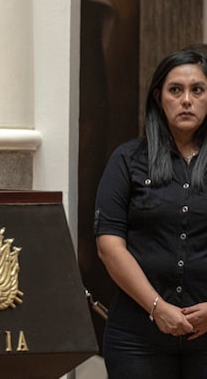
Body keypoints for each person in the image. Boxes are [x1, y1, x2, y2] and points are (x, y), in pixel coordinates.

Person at [95, 48, 207, 378]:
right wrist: (157, 308)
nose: (186, 99)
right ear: (159, 97)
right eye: (176, 90)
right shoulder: (127, 160)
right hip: (137, 337)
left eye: (197, 90)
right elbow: (109, 246)